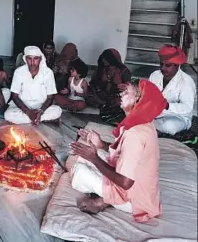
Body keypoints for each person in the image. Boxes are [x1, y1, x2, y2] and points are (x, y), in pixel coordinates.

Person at [69, 80, 167, 223]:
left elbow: (126, 183)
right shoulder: (143, 122)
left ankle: (105, 201)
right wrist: (100, 144)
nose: (121, 94)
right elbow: (125, 151)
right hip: (142, 189)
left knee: (79, 171)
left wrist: (94, 158)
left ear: (138, 101)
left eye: (127, 93)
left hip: (135, 200)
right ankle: (106, 198)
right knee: (84, 157)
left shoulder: (135, 134)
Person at [4, 46, 62, 125]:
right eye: (29, 58)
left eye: (35, 58)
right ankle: (39, 119)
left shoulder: (48, 73)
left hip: (41, 107)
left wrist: (40, 111)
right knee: (8, 114)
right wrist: (28, 112)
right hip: (23, 107)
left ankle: (35, 118)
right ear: (25, 59)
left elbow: (50, 97)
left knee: (57, 110)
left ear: (40, 59)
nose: (32, 62)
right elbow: (14, 96)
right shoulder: (19, 72)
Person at [149, 45, 196, 136]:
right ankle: (151, 128)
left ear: (177, 65)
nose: (163, 68)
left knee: (169, 126)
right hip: (155, 113)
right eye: (161, 64)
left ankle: (149, 128)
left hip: (178, 117)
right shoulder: (154, 75)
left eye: (168, 65)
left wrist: (167, 106)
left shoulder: (186, 82)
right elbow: (148, 96)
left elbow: (187, 107)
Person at [88, 48, 131, 123]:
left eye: (106, 59)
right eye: (103, 58)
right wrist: (98, 93)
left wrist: (119, 87)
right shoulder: (101, 68)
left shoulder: (123, 70)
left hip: (116, 96)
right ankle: (104, 105)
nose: (104, 60)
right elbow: (93, 83)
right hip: (102, 94)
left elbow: (127, 88)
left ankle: (107, 107)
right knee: (89, 97)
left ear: (112, 59)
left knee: (120, 103)